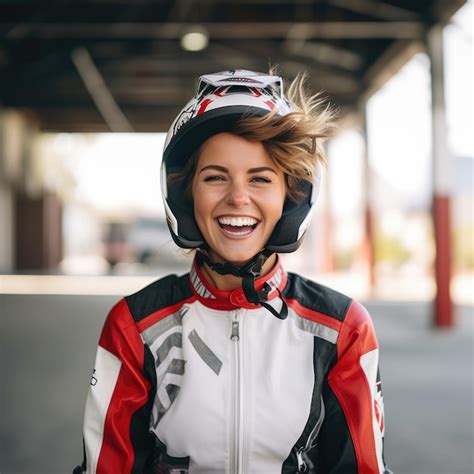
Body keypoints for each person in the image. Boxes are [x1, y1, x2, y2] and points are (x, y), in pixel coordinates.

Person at [74, 69, 391, 474]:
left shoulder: (342, 328)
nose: (238, 197)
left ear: (290, 198)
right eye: (215, 177)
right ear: (186, 195)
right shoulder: (134, 326)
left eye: (260, 179)